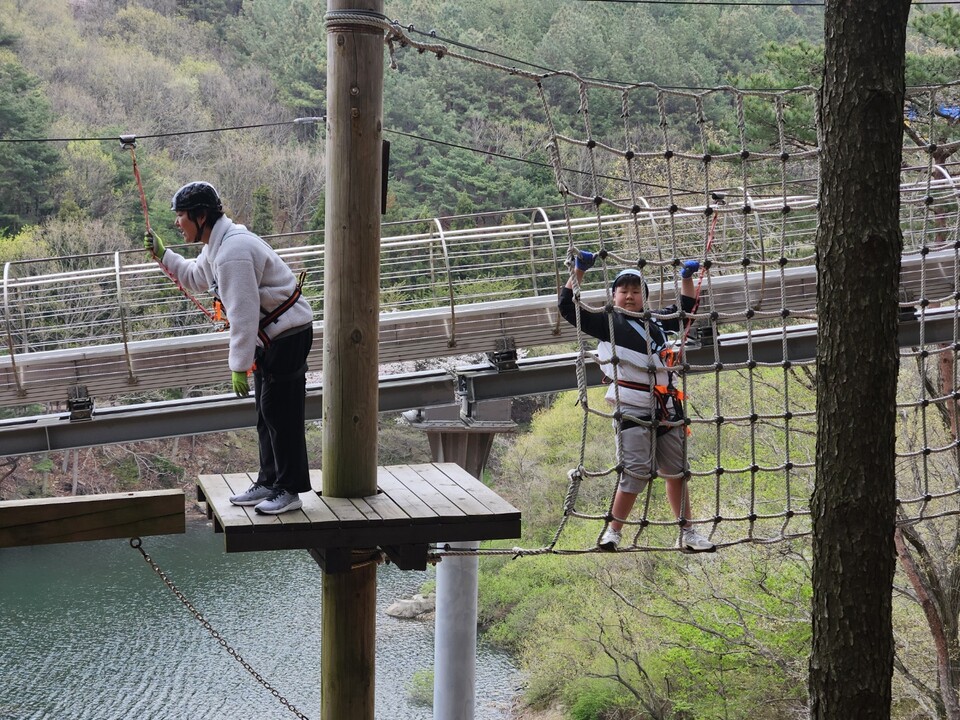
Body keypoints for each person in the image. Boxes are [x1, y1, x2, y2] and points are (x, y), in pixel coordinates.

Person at [145, 181, 313, 515]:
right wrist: (165, 255)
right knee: (266, 413)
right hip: (273, 336)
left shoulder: (233, 252)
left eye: (181, 216)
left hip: (286, 336)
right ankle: (270, 480)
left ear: (201, 215)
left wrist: (239, 364)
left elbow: (244, 314)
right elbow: (194, 277)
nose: (178, 223)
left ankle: (289, 489)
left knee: (280, 413)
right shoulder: (216, 246)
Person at [558, 251, 715, 553]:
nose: (629, 297)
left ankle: (688, 532)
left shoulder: (655, 321)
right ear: (614, 295)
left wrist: (686, 278)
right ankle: (613, 531)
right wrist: (578, 273)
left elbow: (685, 308)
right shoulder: (607, 322)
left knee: (677, 472)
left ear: (644, 296)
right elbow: (567, 307)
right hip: (631, 405)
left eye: (635, 291)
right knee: (635, 472)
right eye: (623, 291)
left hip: (667, 406)